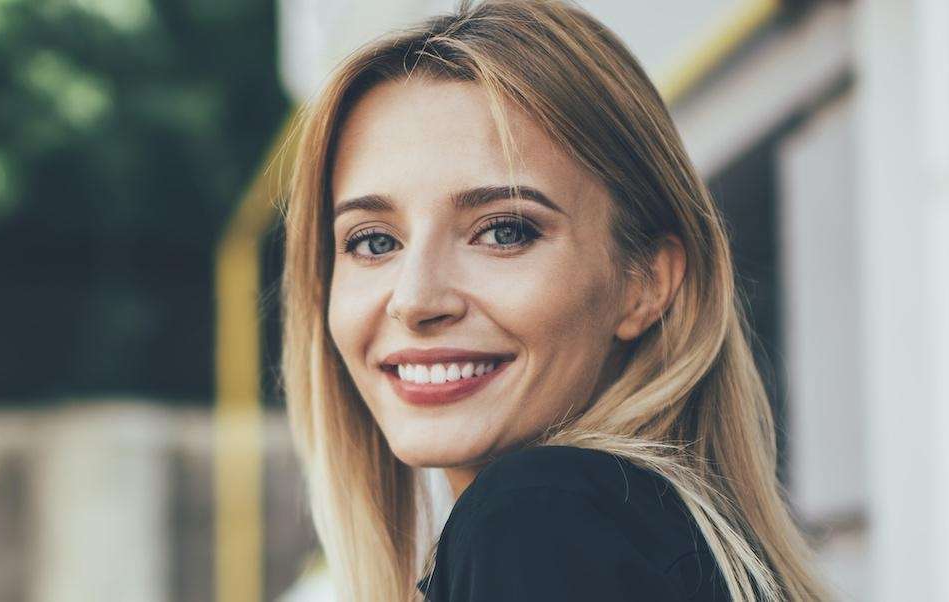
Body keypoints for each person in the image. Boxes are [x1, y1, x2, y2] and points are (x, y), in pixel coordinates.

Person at [277, 1, 831, 600]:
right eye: (374, 241)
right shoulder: (664, 543)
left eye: (504, 231)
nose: (414, 300)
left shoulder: (537, 522)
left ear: (645, 280)